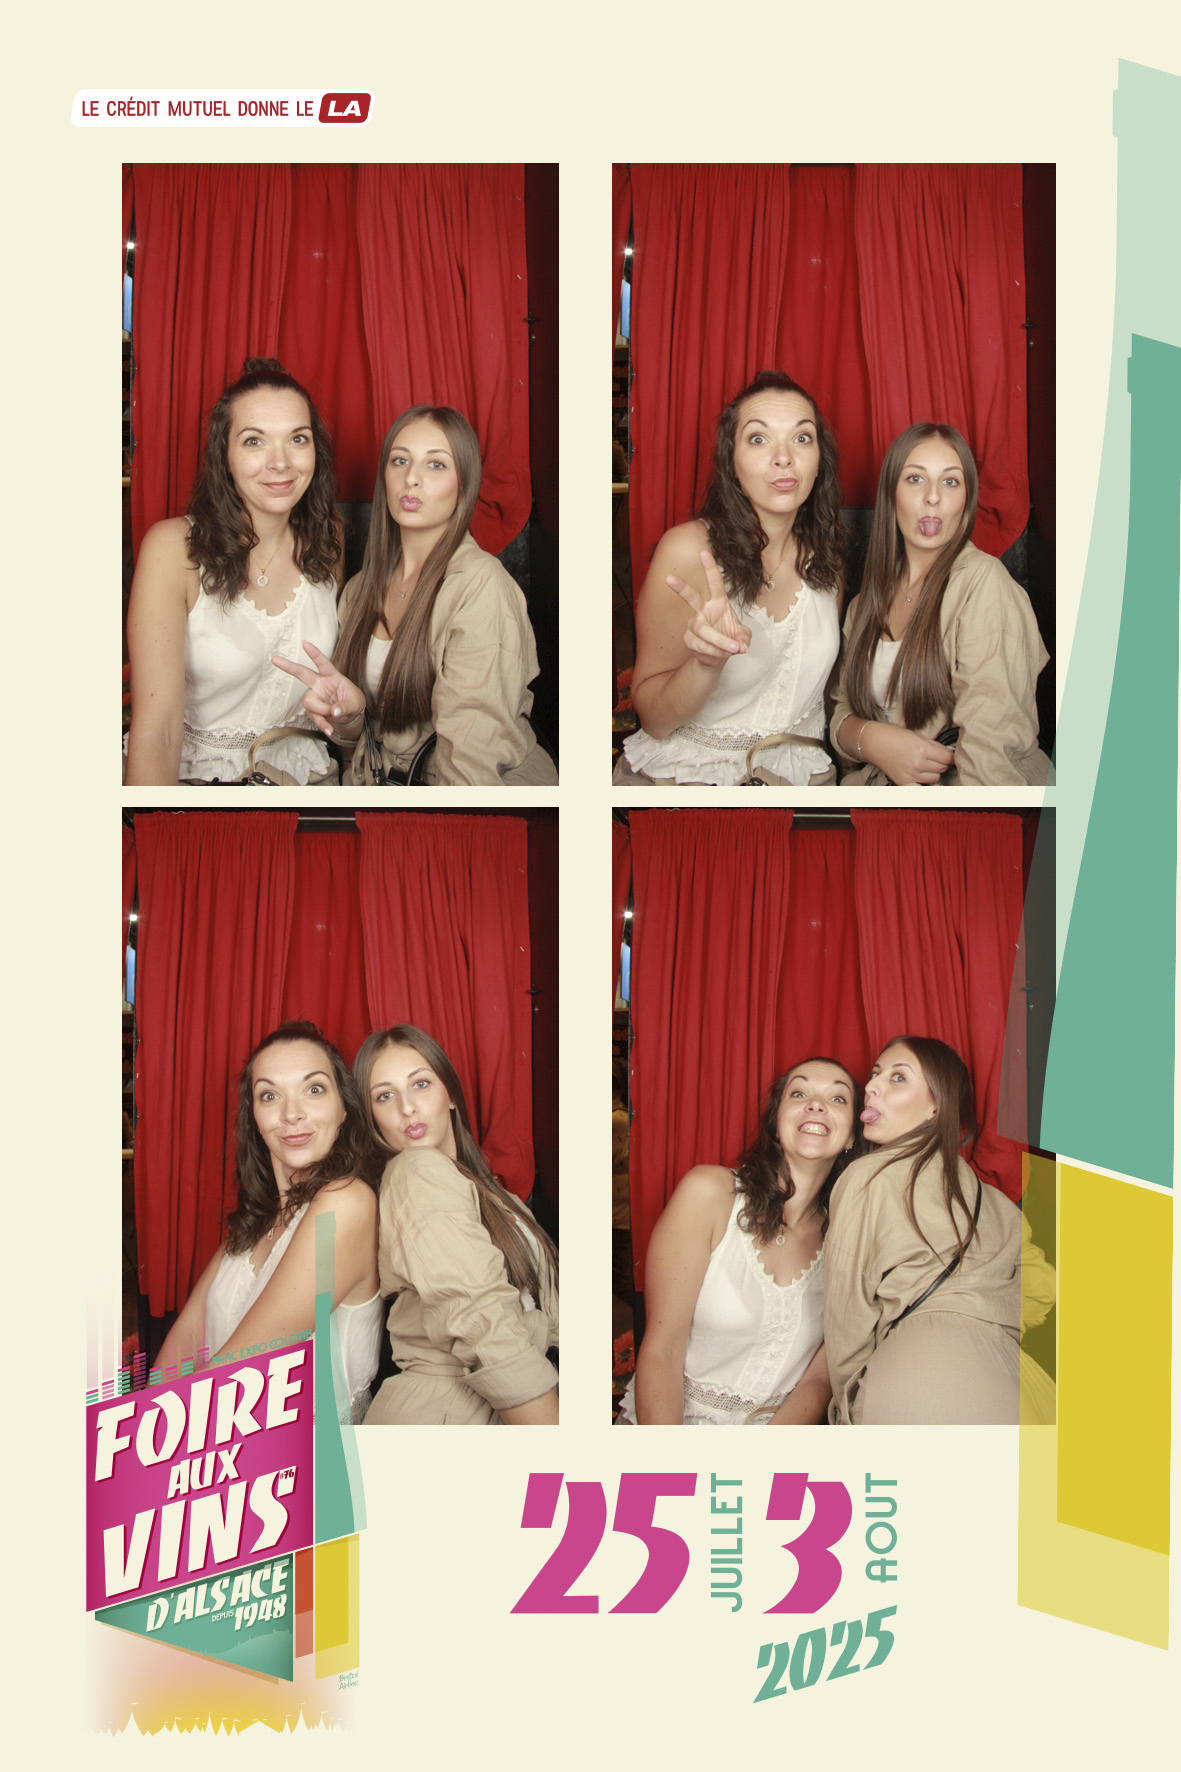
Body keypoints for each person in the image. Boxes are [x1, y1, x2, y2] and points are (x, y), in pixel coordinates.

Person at [273, 406, 557, 786]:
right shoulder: (359, 590)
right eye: (400, 460)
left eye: (436, 465)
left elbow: (470, 768)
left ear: (465, 483)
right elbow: (359, 741)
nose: (411, 478)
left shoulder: (480, 586)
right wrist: (348, 718)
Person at [616, 371, 844, 786]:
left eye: (801, 437)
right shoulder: (688, 551)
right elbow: (653, 720)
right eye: (758, 439)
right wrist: (705, 665)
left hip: (805, 781)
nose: (783, 457)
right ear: (732, 463)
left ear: (819, 463)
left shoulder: (827, 560)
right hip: (690, 782)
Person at [125, 358, 344, 786]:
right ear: (224, 455)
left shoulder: (328, 534)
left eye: (297, 439)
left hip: (304, 780)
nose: (280, 462)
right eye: (254, 441)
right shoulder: (173, 548)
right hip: (195, 782)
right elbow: (158, 732)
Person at [154, 1023, 382, 1426]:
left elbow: (241, 1369)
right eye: (270, 1095)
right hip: (206, 1439)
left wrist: (141, 1439)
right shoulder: (255, 1222)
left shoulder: (347, 1201)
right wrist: (148, 1415)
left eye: (314, 1089)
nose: (292, 1114)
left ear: (344, 1109)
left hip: (305, 1456)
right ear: (255, 1118)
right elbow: (187, 1333)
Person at [617, 1058, 860, 1425]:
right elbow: (662, 1350)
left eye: (837, 1098)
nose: (816, 1104)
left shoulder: (849, 1238)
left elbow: (819, 1380)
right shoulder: (709, 1194)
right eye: (799, 1093)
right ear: (775, 1122)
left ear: (852, 1136)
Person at [824, 1037, 1053, 1424]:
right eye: (875, 1074)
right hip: (1014, 1380)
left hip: (918, 1372)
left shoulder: (867, 1176)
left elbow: (847, 1314)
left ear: (937, 1106)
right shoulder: (997, 1203)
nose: (872, 1086)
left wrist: (849, 1401)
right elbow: (1044, 1289)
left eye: (898, 1077)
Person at [355, 1025, 559, 1424]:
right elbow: (480, 1318)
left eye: (420, 1084)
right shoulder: (415, 1171)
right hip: (449, 1412)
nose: (407, 1108)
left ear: (449, 1093)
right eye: (384, 1096)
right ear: (372, 1117)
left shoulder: (501, 1198)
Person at [829, 424, 1050, 785]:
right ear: (891, 493)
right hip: (875, 800)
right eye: (915, 479)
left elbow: (990, 758)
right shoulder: (864, 604)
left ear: (966, 499)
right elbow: (840, 714)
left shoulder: (983, 583)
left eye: (950, 482)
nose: (933, 497)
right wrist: (875, 741)